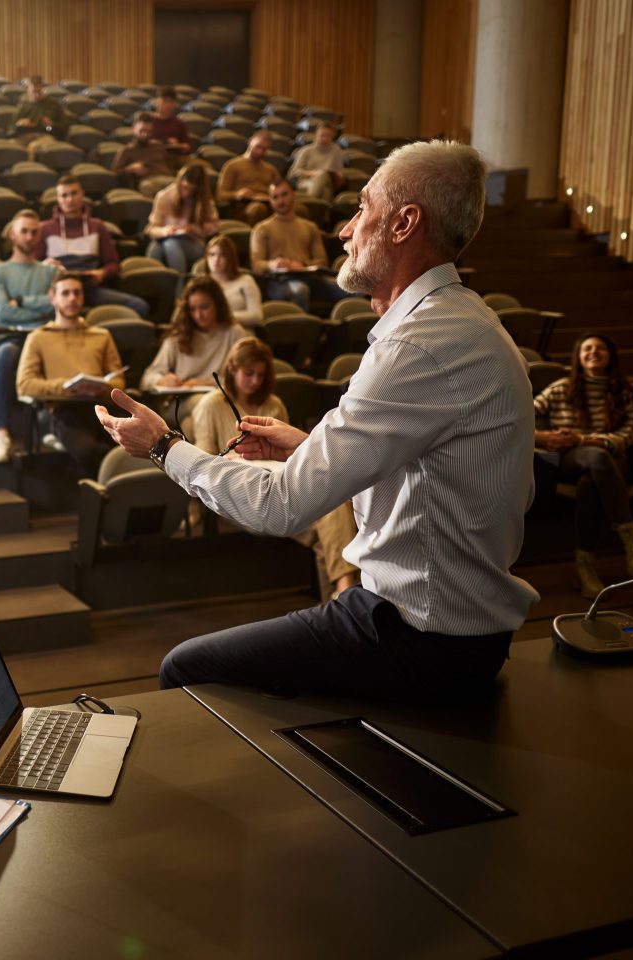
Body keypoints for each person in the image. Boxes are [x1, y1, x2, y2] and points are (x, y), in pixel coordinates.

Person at [96, 139, 538, 701]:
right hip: (461, 628)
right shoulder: (464, 322)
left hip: (421, 637)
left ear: (404, 224)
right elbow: (430, 473)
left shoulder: (420, 346)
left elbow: (278, 508)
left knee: (185, 668)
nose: (345, 230)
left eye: (361, 209)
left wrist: (164, 446)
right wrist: (309, 446)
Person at [191, 337, 360, 598]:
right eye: (249, 373)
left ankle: (339, 598)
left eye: (261, 375)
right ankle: (344, 594)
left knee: (329, 514)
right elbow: (202, 465)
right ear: (232, 368)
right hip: (238, 494)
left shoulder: (273, 404)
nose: (255, 381)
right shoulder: (211, 405)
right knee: (331, 512)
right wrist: (231, 462)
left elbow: (289, 458)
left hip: (280, 485)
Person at [533, 333, 633, 596]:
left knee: (590, 484)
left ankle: (584, 568)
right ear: (578, 356)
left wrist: (583, 438)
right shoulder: (561, 388)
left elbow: (625, 437)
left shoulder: (627, 391)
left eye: (600, 348)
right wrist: (543, 436)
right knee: (594, 458)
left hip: (613, 460)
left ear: (611, 355)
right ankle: (632, 541)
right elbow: (519, 416)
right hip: (570, 458)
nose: (593, 352)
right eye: (587, 348)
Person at [16, 272, 125, 478]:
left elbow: (119, 380)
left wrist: (102, 387)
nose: (72, 298)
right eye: (65, 293)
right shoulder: (38, 337)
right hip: (64, 410)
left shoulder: (101, 335)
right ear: (53, 297)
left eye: (77, 293)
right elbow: (25, 384)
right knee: (88, 452)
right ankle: (99, 503)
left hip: (102, 407)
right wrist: (67, 387)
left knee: (136, 445)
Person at [0, 211, 57, 463]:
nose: (29, 236)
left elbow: (56, 306)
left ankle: (54, 428)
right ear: (12, 234)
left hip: (45, 336)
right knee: (7, 353)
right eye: (24, 231)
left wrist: (23, 303)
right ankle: (1, 432)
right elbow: (2, 312)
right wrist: (41, 307)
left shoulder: (49, 272)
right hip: (11, 337)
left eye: (34, 231)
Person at [140, 276, 248, 431]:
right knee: (205, 403)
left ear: (217, 305)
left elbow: (247, 378)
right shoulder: (178, 336)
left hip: (222, 399)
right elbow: (147, 377)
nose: (198, 315)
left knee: (190, 427)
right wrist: (162, 380)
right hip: (179, 403)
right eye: (192, 309)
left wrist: (205, 383)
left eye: (204, 307)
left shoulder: (234, 332)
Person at [37, 175, 148, 317]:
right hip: (60, 291)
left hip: (89, 288)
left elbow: (113, 264)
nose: (69, 200)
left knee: (139, 306)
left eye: (74, 193)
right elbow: (31, 266)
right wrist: (43, 265)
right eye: (64, 195)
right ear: (58, 199)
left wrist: (101, 273)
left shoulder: (97, 226)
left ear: (82, 194)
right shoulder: (45, 229)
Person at [250, 179, 348, 313]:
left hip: (310, 277)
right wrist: (273, 264)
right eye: (275, 197)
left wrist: (301, 264)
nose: (280, 200)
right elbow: (256, 265)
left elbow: (322, 261)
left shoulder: (310, 227)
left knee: (350, 288)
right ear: (270, 201)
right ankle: (304, 332)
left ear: (293, 194)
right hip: (278, 282)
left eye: (284, 194)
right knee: (301, 290)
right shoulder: (261, 229)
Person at [145, 162, 219, 281]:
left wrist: (192, 228)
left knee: (170, 244)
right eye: (184, 188)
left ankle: (179, 289)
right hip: (166, 238)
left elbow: (214, 227)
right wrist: (165, 231)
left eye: (192, 191)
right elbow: (151, 229)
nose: (187, 193)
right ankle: (157, 288)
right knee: (155, 249)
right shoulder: (164, 196)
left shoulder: (205, 201)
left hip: (194, 242)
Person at [217, 130, 281, 224]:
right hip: (242, 206)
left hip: (268, 203)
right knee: (259, 209)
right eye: (258, 147)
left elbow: (279, 191)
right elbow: (220, 195)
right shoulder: (232, 165)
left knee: (298, 209)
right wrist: (237, 194)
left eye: (264, 149)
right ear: (250, 141)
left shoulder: (271, 169)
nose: (260, 152)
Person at [200, 235, 262, 326]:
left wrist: (223, 317)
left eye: (222, 255)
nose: (216, 260)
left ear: (230, 258)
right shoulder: (199, 283)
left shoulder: (246, 281)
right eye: (212, 254)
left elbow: (257, 316)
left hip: (240, 331)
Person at [111, 113, 177, 197]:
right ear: (134, 128)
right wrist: (131, 168)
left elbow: (169, 164)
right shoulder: (127, 150)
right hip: (148, 181)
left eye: (149, 131)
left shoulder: (158, 145)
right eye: (142, 131)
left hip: (167, 178)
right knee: (148, 187)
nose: (145, 135)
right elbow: (115, 172)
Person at [12, 75, 68, 156]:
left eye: (38, 90)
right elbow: (11, 128)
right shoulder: (23, 106)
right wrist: (20, 124)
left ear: (42, 88)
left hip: (46, 135)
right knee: (12, 146)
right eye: (33, 91)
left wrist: (51, 125)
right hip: (25, 136)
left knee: (34, 147)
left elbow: (64, 127)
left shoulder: (53, 105)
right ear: (28, 90)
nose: (36, 94)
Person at [289, 122, 345, 202]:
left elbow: (340, 171)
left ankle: (311, 204)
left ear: (333, 137)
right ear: (316, 135)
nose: (325, 138)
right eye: (322, 135)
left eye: (328, 136)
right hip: (305, 182)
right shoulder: (306, 150)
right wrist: (314, 173)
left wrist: (338, 175)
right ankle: (315, 205)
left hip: (328, 182)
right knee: (325, 192)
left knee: (323, 177)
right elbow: (294, 172)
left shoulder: (336, 150)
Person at [147, 86, 193, 156]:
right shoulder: (148, 122)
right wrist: (165, 142)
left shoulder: (179, 123)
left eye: (171, 102)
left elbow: (187, 146)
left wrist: (178, 145)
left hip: (175, 158)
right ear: (157, 102)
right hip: (153, 157)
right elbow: (142, 144)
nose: (168, 105)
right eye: (165, 101)